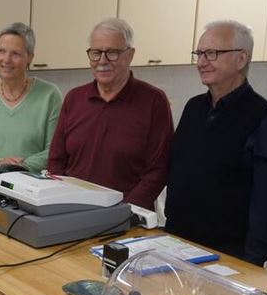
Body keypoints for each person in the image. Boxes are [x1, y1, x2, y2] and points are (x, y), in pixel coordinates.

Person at [165, 20, 267, 266]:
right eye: (199, 54)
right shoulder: (194, 108)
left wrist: (251, 263)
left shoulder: (263, 118)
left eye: (211, 53)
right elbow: (179, 170)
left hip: (229, 255)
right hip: (178, 244)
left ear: (241, 59)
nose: (201, 62)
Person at [47, 18, 173, 209]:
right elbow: (56, 160)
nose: (102, 61)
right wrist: (61, 199)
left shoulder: (154, 101)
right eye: (96, 53)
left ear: (130, 55)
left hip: (127, 216)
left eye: (112, 52)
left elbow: (158, 170)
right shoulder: (74, 98)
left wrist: (124, 211)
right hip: (72, 209)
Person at [0, 22, 62, 180]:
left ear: (29, 57)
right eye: (1, 51)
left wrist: (17, 168)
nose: (6, 59)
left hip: (31, 185)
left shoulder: (50, 95)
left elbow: (55, 150)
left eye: (15, 53)